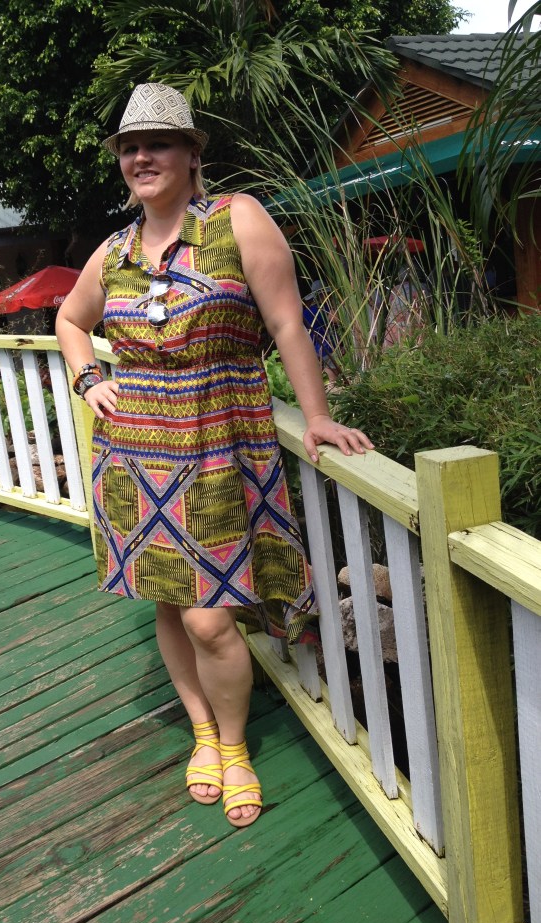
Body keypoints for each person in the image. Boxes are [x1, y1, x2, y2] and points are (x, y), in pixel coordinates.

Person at [56, 83, 372, 829]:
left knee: (211, 621)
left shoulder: (238, 221)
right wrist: (89, 378)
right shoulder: (116, 250)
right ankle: (204, 734)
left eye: (156, 144)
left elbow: (287, 325)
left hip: (221, 446)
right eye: (129, 148)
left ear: (192, 154)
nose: (140, 157)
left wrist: (319, 416)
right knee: (171, 601)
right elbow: (70, 318)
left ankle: (233, 745)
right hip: (135, 455)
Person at [301, 280, 340, 385]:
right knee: (332, 375)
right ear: (324, 294)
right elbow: (336, 320)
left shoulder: (307, 311)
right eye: (328, 294)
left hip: (313, 347)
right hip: (326, 346)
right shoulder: (324, 309)